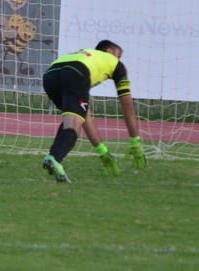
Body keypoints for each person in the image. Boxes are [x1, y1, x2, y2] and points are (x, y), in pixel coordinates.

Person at [41, 39, 146, 183]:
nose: (119, 59)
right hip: (75, 72)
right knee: (74, 125)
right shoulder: (115, 64)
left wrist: (102, 151)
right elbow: (127, 104)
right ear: (109, 51)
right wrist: (135, 141)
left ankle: (52, 158)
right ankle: (55, 158)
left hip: (50, 75)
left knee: (76, 118)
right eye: (118, 54)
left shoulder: (87, 56)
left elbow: (86, 116)